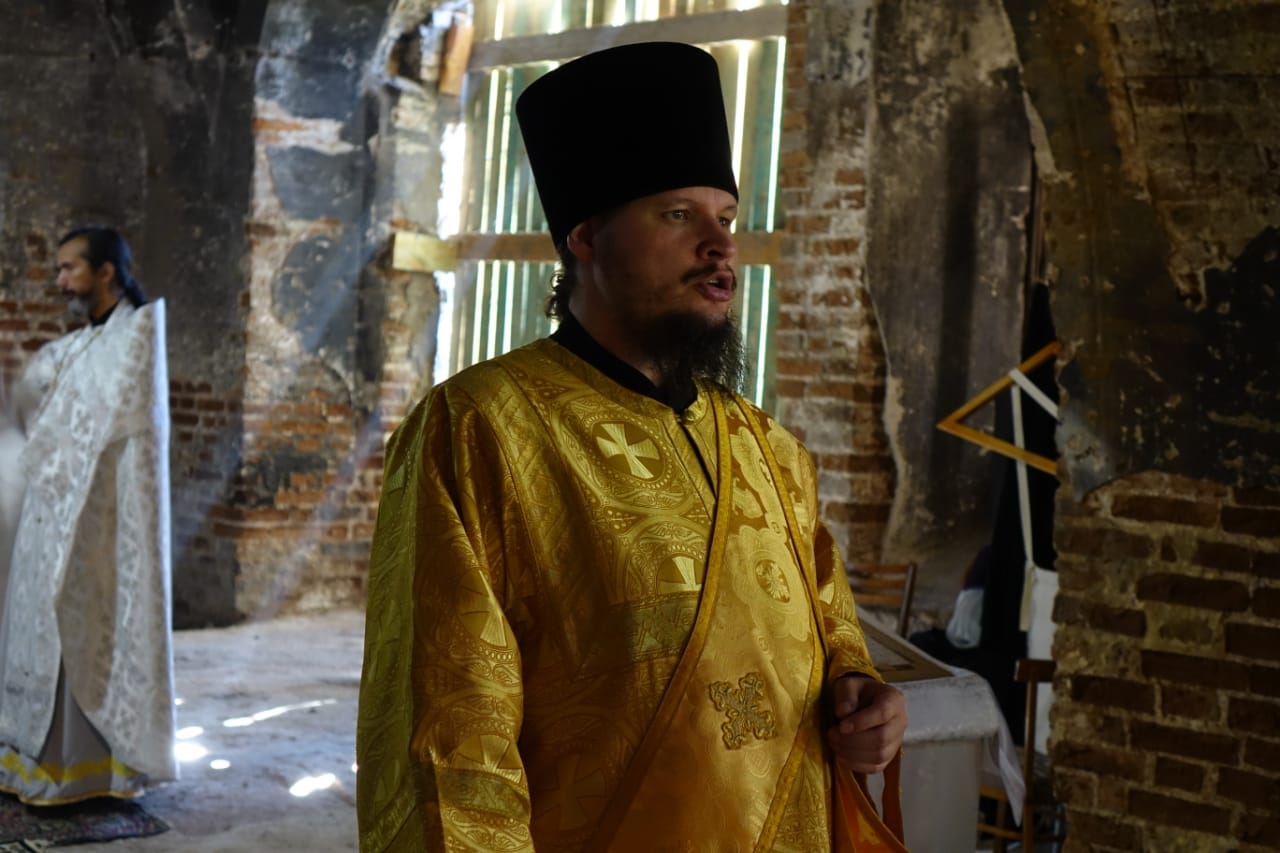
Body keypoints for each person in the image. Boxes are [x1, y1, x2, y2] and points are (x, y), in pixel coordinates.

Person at [357, 42, 907, 851]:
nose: (721, 246)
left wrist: (860, 691)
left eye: (726, 218)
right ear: (586, 235)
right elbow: (448, 742)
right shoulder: (480, 427)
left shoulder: (770, 448)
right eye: (679, 215)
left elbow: (828, 631)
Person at [0, 225, 175, 804]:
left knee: (83, 628)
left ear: (106, 272)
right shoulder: (84, 343)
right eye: (57, 269)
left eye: (69, 268)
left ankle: (84, 771)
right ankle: (34, 759)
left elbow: (105, 428)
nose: (59, 281)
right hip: (52, 509)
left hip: (96, 518)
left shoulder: (136, 339)